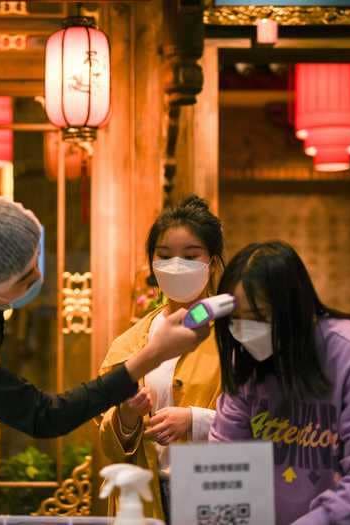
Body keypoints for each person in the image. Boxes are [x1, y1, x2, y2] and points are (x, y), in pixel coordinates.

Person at [0, 195, 209, 525]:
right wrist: (152, 355)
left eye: (35, 259)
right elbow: (45, 416)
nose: (38, 276)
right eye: (25, 280)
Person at [209, 241, 350, 525]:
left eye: (259, 317)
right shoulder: (247, 367)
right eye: (235, 321)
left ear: (293, 310)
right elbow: (225, 463)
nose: (244, 332)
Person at [99, 196, 224, 521]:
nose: (177, 264)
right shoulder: (130, 344)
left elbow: (266, 418)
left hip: (216, 490)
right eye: (165, 255)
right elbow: (106, 438)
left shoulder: (235, 337)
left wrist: (195, 421)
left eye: (191, 255)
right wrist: (126, 414)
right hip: (146, 498)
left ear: (211, 261)